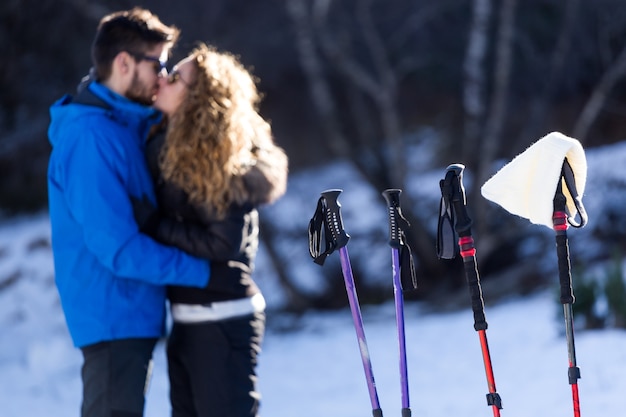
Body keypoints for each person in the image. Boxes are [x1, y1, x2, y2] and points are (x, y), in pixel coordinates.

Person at [47, 8, 212, 417]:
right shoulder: (91, 138)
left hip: (129, 313)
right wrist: (206, 270)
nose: (162, 75)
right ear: (124, 63)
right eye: (157, 64)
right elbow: (117, 249)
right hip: (112, 316)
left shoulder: (122, 125)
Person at [136, 43, 288, 417]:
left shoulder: (215, 157)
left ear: (199, 98)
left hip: (221, 318)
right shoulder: (172, 146)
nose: (162, 81)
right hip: (189, 320)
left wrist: (155, 225)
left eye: (175, 78)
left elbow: (223, 243)